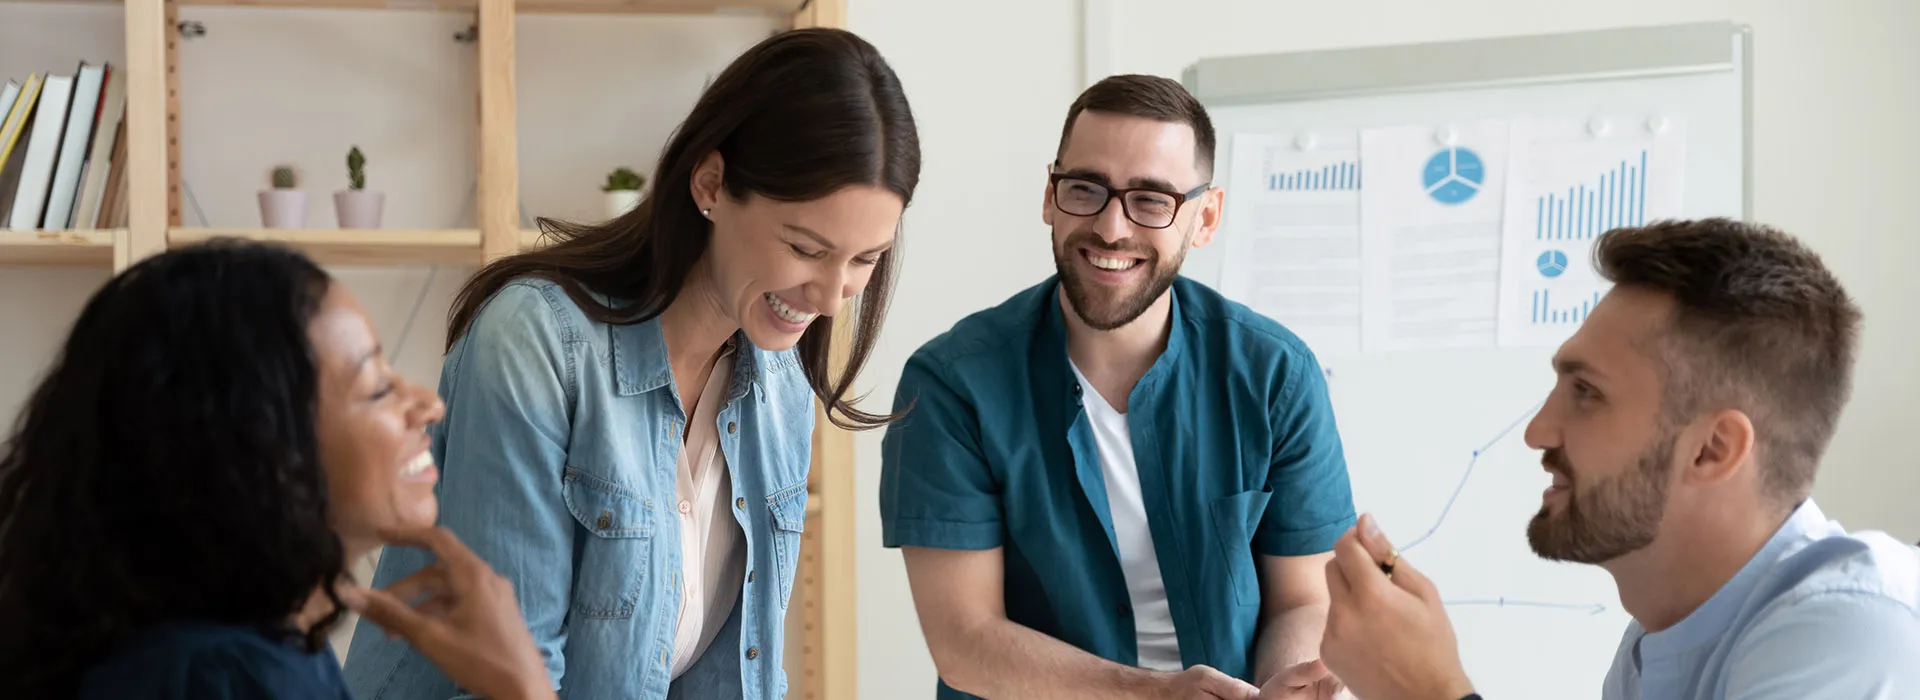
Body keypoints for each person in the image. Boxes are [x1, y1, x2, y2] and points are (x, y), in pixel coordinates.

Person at [341, 26, 920, 700]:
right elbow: (507, 681)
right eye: (805, 248)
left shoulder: (778, 386)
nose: (829, 297)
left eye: (865, 260)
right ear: (711, 183)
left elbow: (741, 679)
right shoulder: (535, 345)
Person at [879, 74, 1357, 700]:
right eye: (1085, 189)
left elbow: (1303, 599)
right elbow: (965, 642)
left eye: (1152, 201)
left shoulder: (1276, 375)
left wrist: (1283, 687)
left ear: (1204, 217)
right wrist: (1152, 694)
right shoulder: (951, 385)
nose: (1110, 228)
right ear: (1049, 196)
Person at [1318, 218, 1920, 700]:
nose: (1537, 431)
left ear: (1712, 451)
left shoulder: (1857, 635)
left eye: (1587, 394)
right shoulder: (1654, 645)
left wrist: (1424, 692)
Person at [0, 239, 556, 700]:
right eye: (377, 387)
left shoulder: (245, 651)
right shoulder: (228, 680)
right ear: (260, 447)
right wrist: (522, 687)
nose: (428, 405)